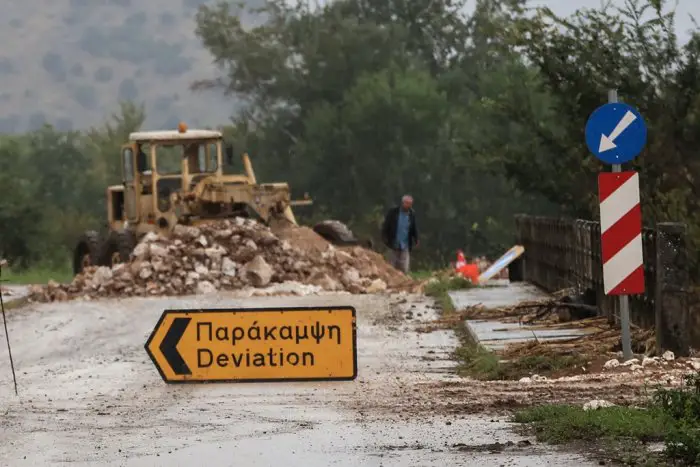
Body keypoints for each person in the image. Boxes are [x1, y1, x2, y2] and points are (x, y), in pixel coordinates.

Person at [381, 195, 419, 274]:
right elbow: (386, 225)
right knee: (391, 266)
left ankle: (404, 282)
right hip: (394, 242)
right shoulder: (393, 212)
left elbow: (413, 228)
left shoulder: (411, 214)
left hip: (405, 243)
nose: (408, 205)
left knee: (404, 267)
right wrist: (384, 237)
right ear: (403, 203)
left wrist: (416, 239)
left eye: (410, 204)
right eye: (407, 203)